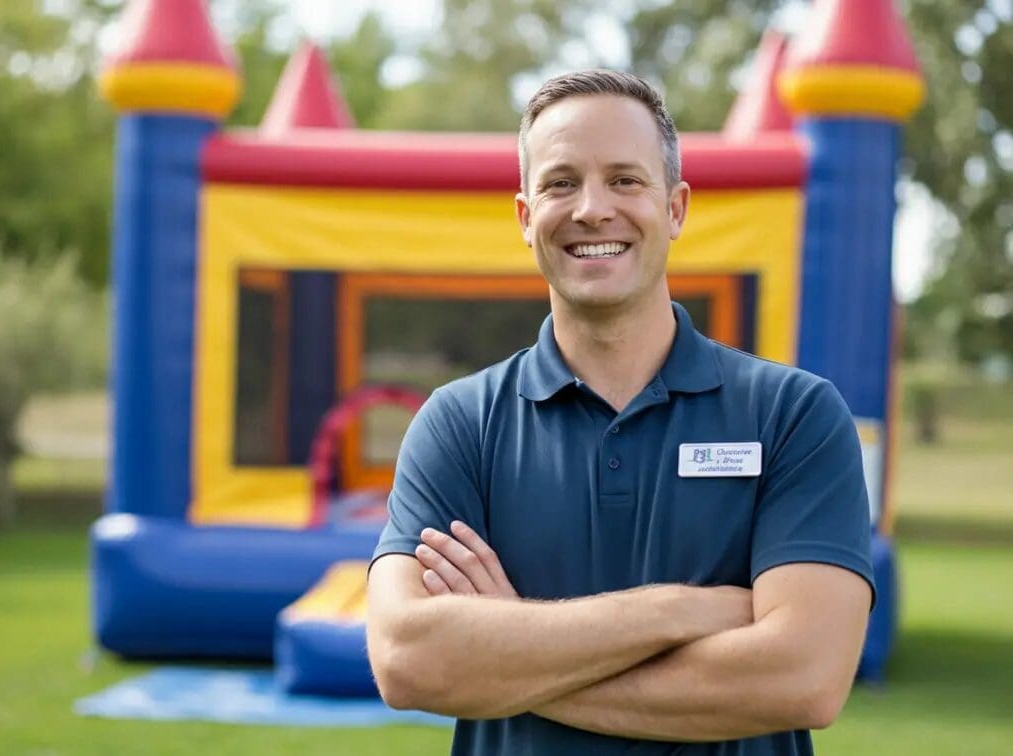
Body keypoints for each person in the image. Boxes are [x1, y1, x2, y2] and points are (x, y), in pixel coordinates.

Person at [366, 69, 873, 755]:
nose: (592, 209)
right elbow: (407, 661)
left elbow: (802, 679)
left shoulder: (794, 416)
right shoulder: (459, 425)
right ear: (525, 218)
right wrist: (680, 609)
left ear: (675, 208)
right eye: (560, 183)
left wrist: (509, 652)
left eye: (625, 180)